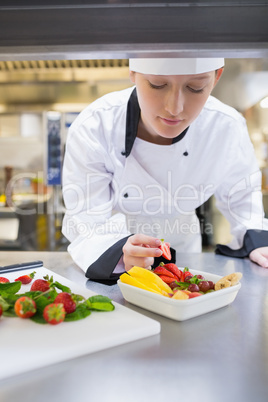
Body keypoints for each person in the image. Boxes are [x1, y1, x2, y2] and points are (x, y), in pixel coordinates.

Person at [62, 58, 268, 283]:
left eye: (195, 88)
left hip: (186, 247)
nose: (174, 108)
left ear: (217, 77)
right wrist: (118, 252)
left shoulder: (226, 126)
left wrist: (257, 241)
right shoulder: (96, 125)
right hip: (117, 248)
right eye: (157, 85)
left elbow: (243, 198)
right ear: (134, 72)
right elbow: (86, 216)